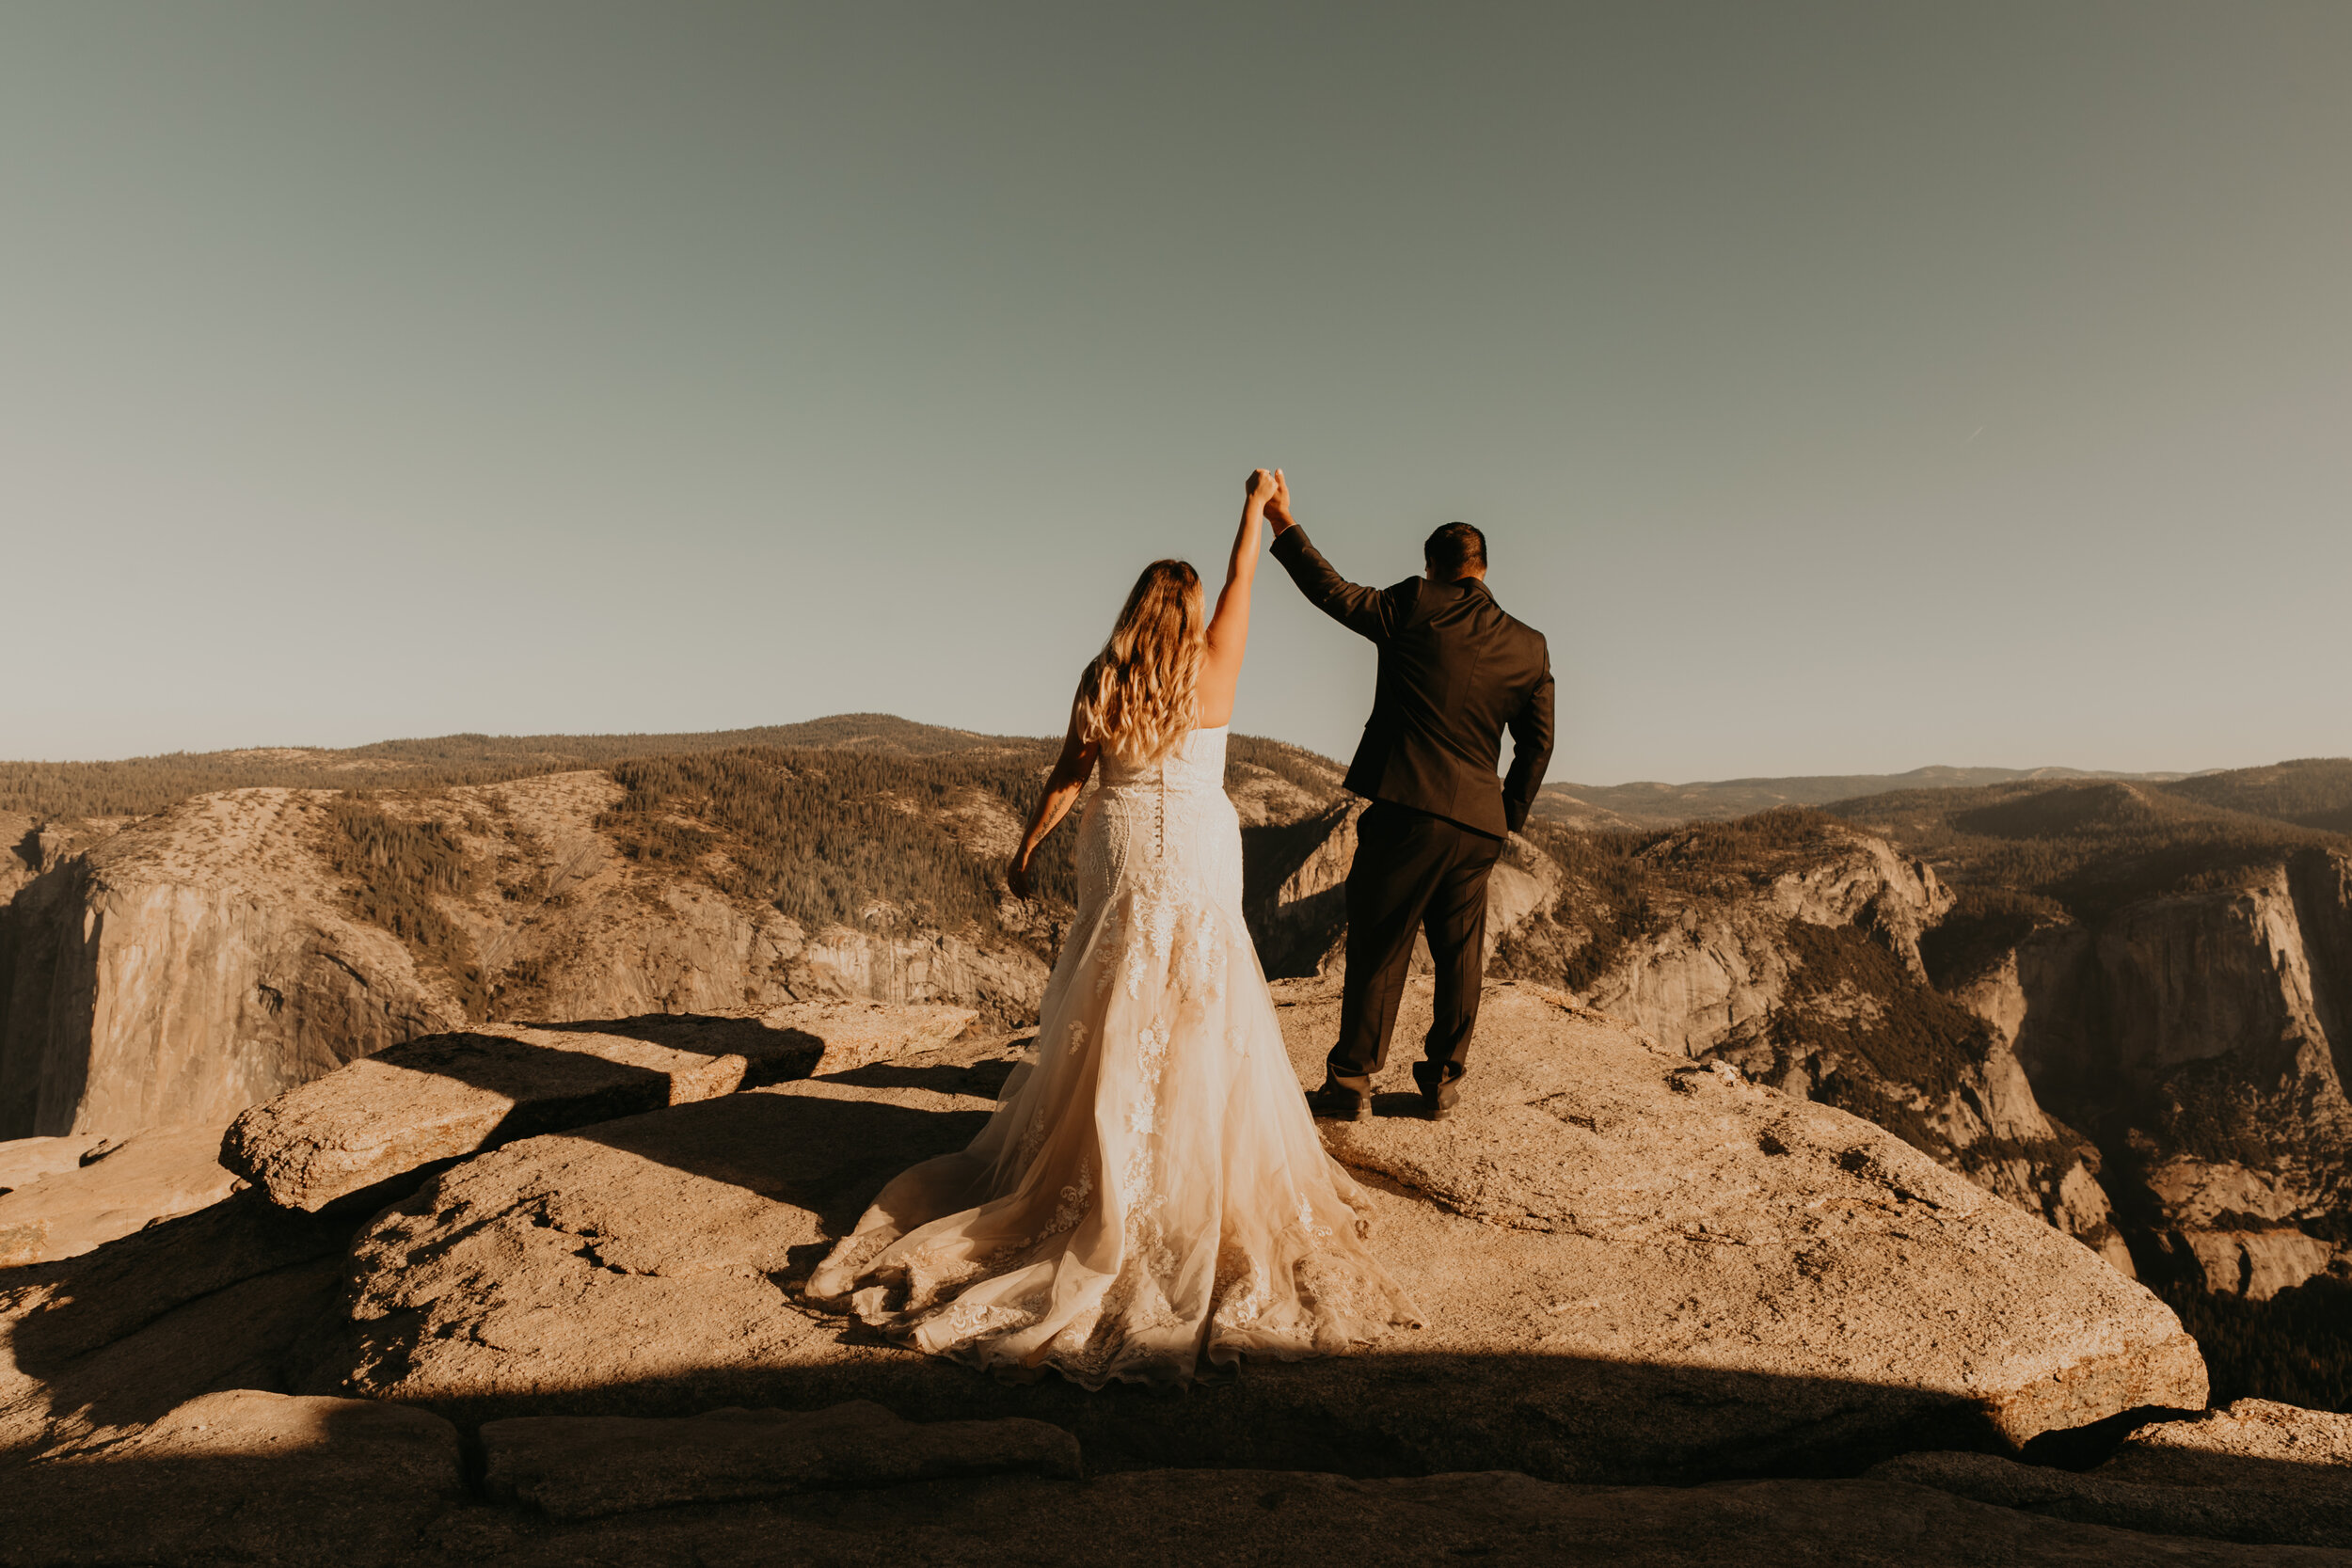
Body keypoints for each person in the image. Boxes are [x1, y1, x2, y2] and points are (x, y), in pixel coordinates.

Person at [807, 469, 1421, 1389]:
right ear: (1192, 611)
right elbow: (1244, 581)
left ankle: (1109, 1166)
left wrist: (1028, 844)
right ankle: (1192, 1171)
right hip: (1201, 847)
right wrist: (1257, 511)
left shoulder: (1105, 678)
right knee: (1201, 996)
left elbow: (1065, 775)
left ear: (1134, 610)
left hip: (1123, 842)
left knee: (1114, 1000)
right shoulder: (1215, 668)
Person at [1263, 472, 1554, 1123]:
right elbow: (1538, 746)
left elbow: (1333, 593)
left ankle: (1352, 1080)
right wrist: (1506, 814)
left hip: (1409, 808)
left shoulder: (1414, 603)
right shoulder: (1529, 647)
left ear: (1432, 566)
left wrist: (1283, 521)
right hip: (1479, 826)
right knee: (1459, 953)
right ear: (1483, 568)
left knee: (1380, 942)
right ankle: (1444, 1080)